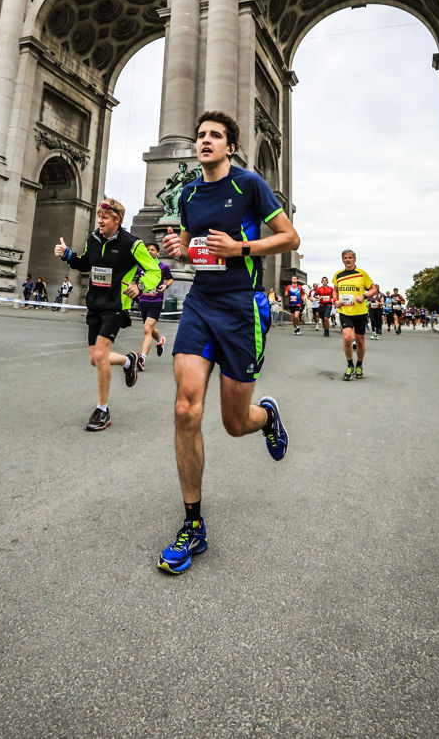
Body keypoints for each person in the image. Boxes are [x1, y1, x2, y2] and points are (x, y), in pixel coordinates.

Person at [159, 111, 300, 574]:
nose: (205, 140)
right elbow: (189, 246)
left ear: (230, 147)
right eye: (201, 135)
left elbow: (289, 237)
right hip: (201, 304)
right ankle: (193, 523)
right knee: (186, 409)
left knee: (234, 423)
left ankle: (267, 417)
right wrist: (178, 250)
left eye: (215, 135)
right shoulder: (188, 194)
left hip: (242, 308)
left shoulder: (250, 185)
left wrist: (239, 248)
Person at [54, 198, 162, 432]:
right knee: (95, 359)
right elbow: (85, 263)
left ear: (117, 219)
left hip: (116, 306)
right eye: (99, 217)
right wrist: (67, 255)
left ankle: (102, 410)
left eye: (105, 217)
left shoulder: (132, 244)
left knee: (101, 355)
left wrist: (140, 286)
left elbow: (154, 271)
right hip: (95, 305)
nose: (100, 221)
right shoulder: (93, 239)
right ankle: (128, 360)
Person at [333, 250, 375, 380]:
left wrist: (364, 296)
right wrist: (335, 300)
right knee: (347, 337)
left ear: (355, 259)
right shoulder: (338, 275)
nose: (348, 260)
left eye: (350, 257)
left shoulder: (362, 274)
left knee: (360, 340)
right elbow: (335, 290)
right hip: (345, 311)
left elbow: (373, 289)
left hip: (360, 312)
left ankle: (359, 365)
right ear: (342, 260)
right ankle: (350, 365)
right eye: (345, 258)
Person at [135, 242, 173, 370]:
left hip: (156, 301)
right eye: (148, 250)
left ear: (157, 253)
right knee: (149, 328)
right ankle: (160, 339)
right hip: (143, 301)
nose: (150, 251)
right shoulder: (140, 266)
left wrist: (166, 285)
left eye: (152, 250)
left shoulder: (163, 267)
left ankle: (142, 359)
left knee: (147, 328)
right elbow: (137, 281)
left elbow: (170, 278)